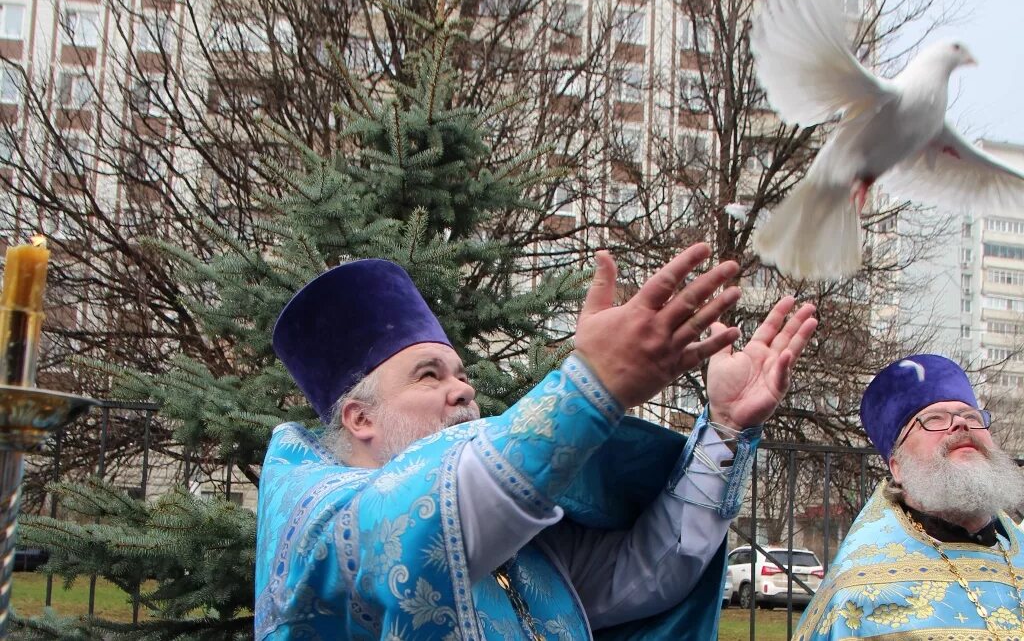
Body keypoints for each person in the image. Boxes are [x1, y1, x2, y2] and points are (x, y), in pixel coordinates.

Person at [255, 243, 817, 640]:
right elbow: (417, 517)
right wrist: (595, 384)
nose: (462, 391)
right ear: (359, 418)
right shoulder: (319, 527)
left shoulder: (522, 544)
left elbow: (651, 571)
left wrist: (725, 424)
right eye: (429, 375)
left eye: (460, 373)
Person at [795, 354, 1024, 640]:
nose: (960, 424)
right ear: (898, 468)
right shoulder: (860, 593)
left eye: (972, 417)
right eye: (933, 420)